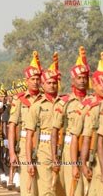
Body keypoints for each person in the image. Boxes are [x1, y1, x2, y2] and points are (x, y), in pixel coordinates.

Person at [51, 46, 90, 196]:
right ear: (73, 79)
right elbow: (55, 130)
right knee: (73, 188)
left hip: (89, 149)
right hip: (69, 150)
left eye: (84, 78)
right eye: (79, 78)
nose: (82, 81)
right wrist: (54, 155)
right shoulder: (64, 103)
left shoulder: (93, 101)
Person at [25, 52, 61, 195]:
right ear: (43, 84)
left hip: (63, 149)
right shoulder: (36, 106)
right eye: (49, 83)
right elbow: (29, 136)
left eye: (54, 83)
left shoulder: (65, 103)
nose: (52, 86)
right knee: (47, 190)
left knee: (61, 189)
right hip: (43, 150)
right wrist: (29, 161)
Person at [8, 51, 42, 195]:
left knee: (41, 185)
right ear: (26, 81)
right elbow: (12, 126)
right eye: (32, 79)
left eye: (37, 78)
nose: (35, 81)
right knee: (28, 185)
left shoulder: (45, 99)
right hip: (23, 146)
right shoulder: (19, 100)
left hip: (41, 145)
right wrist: (11, 151)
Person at [79, 52, 103, 195]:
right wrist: (82, 163)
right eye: (101, 84)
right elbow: (87, 137)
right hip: (96, 158)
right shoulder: (93, 107)